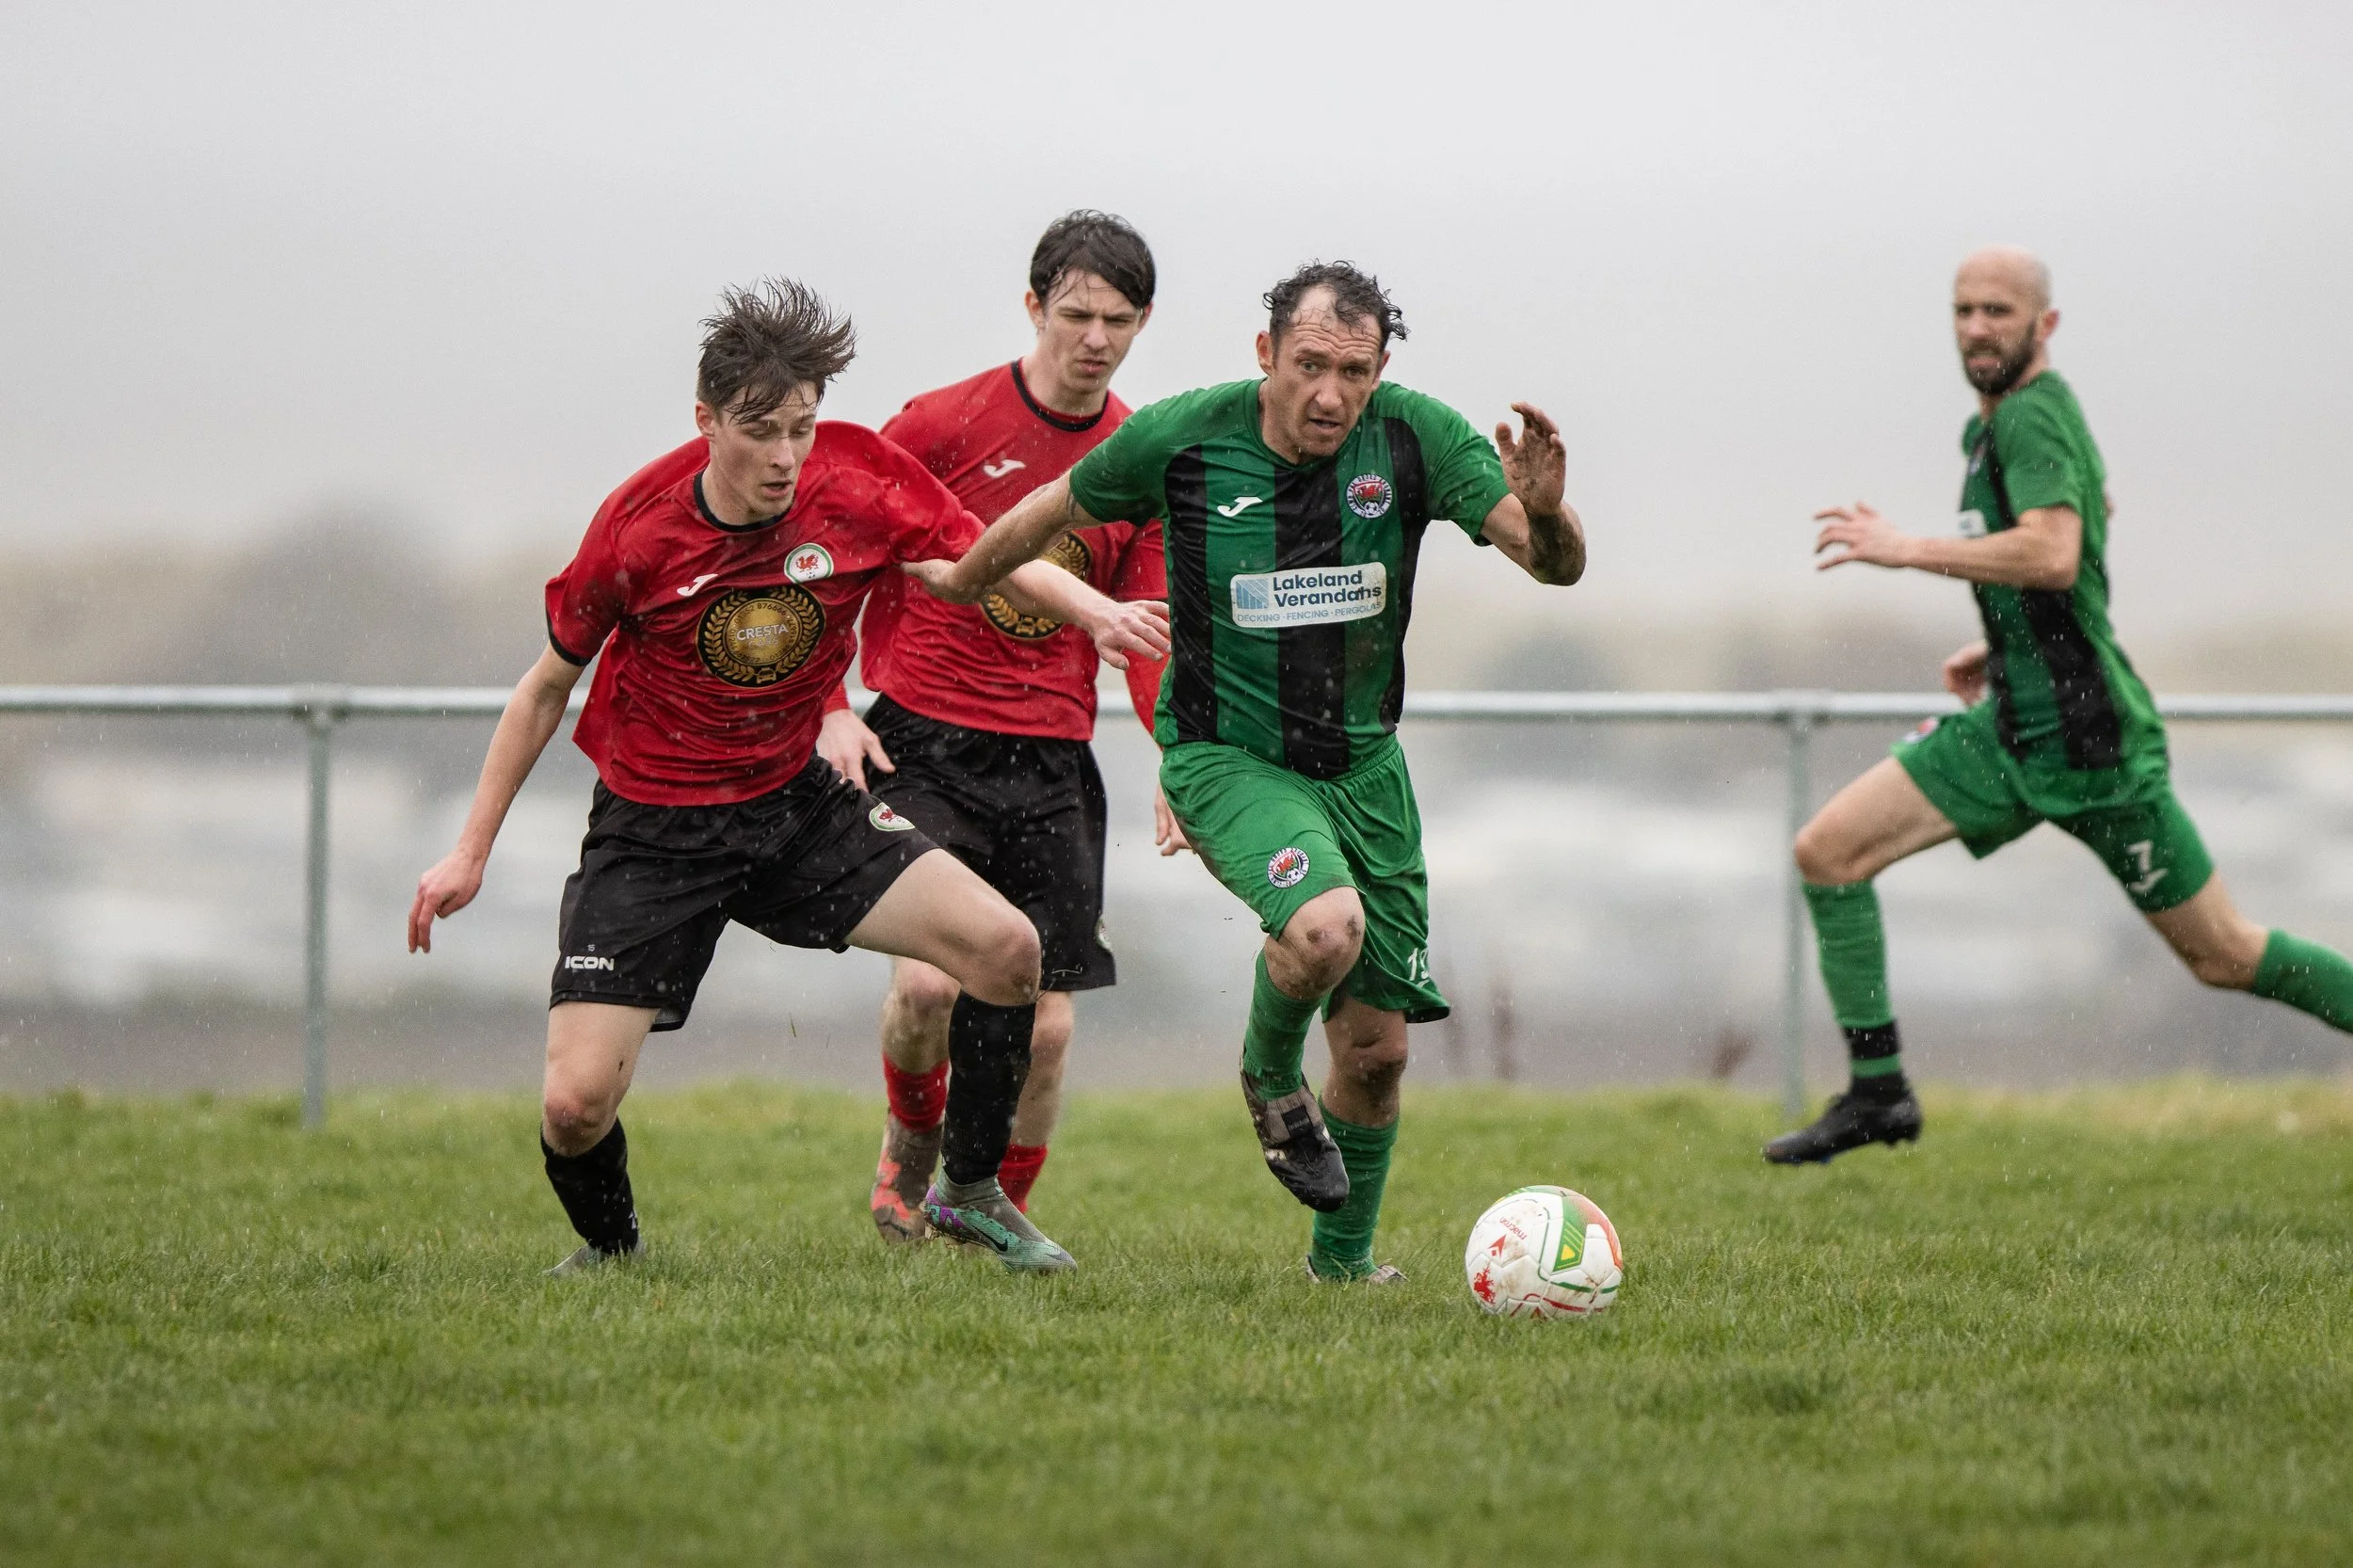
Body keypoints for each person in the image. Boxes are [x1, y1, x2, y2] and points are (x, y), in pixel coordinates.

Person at [406, 279, 1169, 1272]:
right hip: (655, 829)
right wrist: (469, 853)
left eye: (802, 428)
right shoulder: (637, 527)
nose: (784, 457)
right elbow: (544, 691)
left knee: (1010, 950)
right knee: (574, 1103)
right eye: (759, 431)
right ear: (706, 420)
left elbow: (971, 558)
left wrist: (1094, 614)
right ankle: (611, 1250)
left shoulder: (857, 477)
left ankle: (969, 1191)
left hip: (794, 808)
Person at [907, 261, 1587, 1282]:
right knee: (1323, 927)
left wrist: (1551, 517)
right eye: (1308, 363)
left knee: (1375, 1054)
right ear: (1266, 353)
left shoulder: (1414, 436)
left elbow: (1550, 566)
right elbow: (1046, 510)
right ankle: (1267, 1072)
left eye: (1351, 372)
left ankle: (1340, 1269)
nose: (1328, 393)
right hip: (1227, 757)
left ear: (1379, 369)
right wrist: (962, 581)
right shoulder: (1184, 436)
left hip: (1365, 771)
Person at [1772, 246, 2353, 1163]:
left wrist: (1905, 547)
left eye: (1997, 311)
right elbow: (2091, 520)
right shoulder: (2002, 424)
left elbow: (2049, 550)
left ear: (2042, 325)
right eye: (1962, 309)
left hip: (2091, 747)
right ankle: (1878, 1092)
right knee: (1829, 852)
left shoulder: (2032, 417)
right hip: (2009, 729)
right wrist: (2005, 641)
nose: (1975, 328)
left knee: (2224, 956)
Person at [812, 212, 1167, 1241]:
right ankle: (909, 1150)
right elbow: (831, 553)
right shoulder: (941, 424)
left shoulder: (1137, 459)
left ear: (1142, 323)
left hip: (1051, 757)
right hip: (923, 738)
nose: (1093, 338)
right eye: (1074, 314)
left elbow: (1146, 633)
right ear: (1033, 308)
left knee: (1045, 1031)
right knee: (928, 985)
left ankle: (986, 1213)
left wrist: (1179, 761)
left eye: (1116, 320)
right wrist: (830, 704)